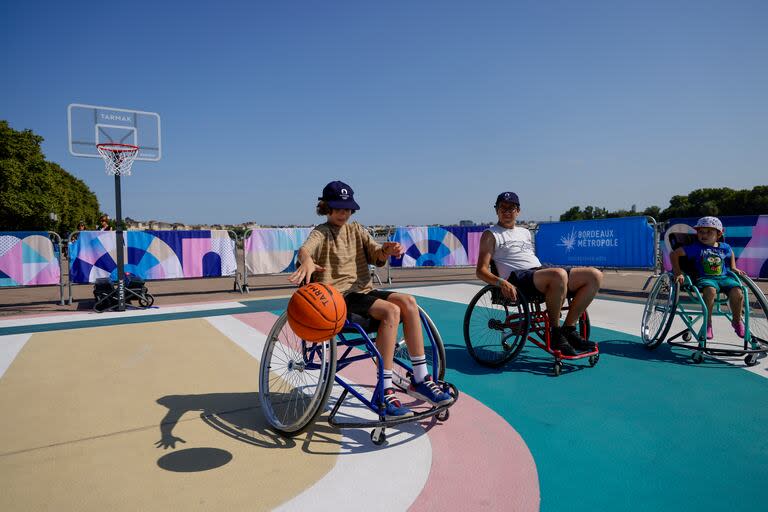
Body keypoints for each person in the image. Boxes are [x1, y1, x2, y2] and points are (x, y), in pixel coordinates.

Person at [289, 180, 453, 418]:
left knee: (409, 302)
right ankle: (384, 390)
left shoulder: (357, 230)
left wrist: (386, 250)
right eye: (337, 208)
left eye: (346, 208)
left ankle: (420, 377)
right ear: (326, 208)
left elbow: (375, 253)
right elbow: (305, 249)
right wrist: (305, 259)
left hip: (363, 291)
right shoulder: (321, 232)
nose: (343, 213)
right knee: (391, 311)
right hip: (338, 297)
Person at [475, 191, 603, 356]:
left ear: (518, 211)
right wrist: (501, 283)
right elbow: (481, 271)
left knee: (594, 276)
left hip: (538, 273)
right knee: (558, 275)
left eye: (511, 208)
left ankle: (569, 330)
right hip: (516, 279)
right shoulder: (491, 234)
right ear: (496, 210)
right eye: (502, 208)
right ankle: (555, 332)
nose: (507, 211)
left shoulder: (525, 232)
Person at [670, 216, 745, 339]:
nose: (704, 235)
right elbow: (674, 254)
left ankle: (736, 321)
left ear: (719, 234)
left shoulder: (724, 247)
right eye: (701, 232)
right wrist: (678, 272)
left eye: (709, 232)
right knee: (710, 290)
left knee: (738, 291)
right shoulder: (696, 247)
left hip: (724, 278)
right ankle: (708, 323)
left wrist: (733, 267)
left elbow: (730, 252)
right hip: (705, 278)